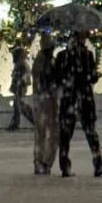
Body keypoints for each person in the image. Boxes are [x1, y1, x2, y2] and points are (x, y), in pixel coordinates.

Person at [55, 26, 102, 178]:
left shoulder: (62, 56)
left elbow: (57, 77)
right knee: (90, 133)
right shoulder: (87, 55)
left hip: (69, 98)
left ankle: (65, 166)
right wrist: (89, 76)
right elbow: (93, 77)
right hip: (84, 98)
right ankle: (98, 164)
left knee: (65, 135)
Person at [31, 33, 60, 175]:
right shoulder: (44, 61)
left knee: (43, 132)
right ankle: (44, 161)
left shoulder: (43, 61)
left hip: (44, 99)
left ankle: (42, 161)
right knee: (48, 132)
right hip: (46, 100)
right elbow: (44, 80)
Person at [7, 45, 33, 131]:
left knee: (20, 107)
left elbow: (19, 77)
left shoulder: (21, 65)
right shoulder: (23, 64)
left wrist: (17, 85)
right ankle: (15, 124)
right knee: (19, 106)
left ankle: (15, 124)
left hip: (20, 88)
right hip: (20, 88)